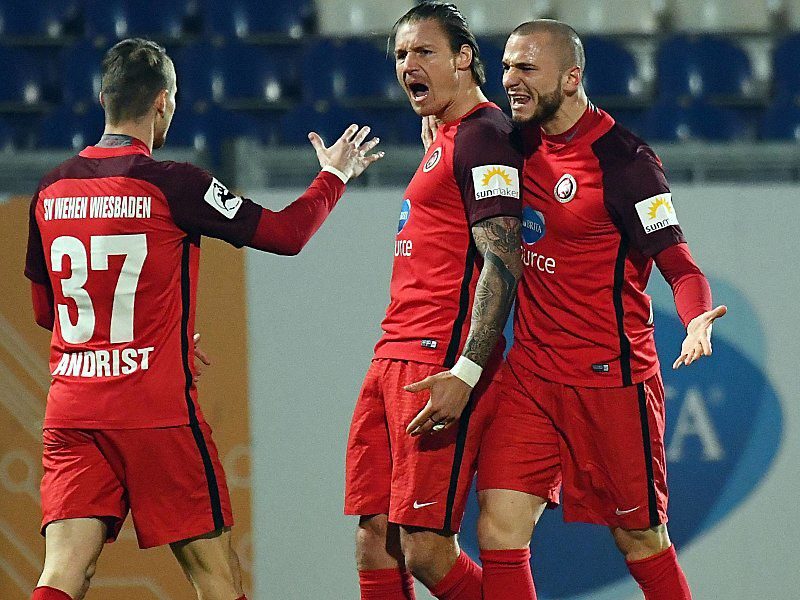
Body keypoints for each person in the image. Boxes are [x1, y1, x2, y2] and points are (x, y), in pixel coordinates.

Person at [24, 38, 382, 600]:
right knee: (216, 577)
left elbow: (49, 312)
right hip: (157, 414)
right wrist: (333, 175)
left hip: (73, 412)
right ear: (163, 103)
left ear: (102, 99)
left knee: (64, 571)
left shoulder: (50, 189)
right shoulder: (176, 183)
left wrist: (140, 334)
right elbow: (286, 235)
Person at [470, 20, 727, 600]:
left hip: (610, 382)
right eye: (506, 66)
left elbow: (680, 267)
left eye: (526, 68)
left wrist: (695, 317)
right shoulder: (511, 143)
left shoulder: (627, 163)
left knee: (641, 541)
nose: (510, 80)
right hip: (532, 376)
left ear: (571, 77)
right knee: (498, 529)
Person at [343, 3, 523, 599]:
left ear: (464, 58)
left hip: (436, 359)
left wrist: (465, 373)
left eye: (424, 51)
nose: (408, 65)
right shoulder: (449, 135)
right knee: (375, 539)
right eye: (401, 54)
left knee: (425, 548)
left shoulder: (485, 136)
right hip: (391, 352)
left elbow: (503, 259)